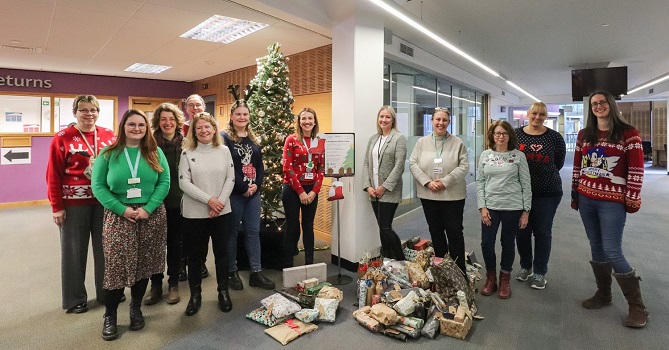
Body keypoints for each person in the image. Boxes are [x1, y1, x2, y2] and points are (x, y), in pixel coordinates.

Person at [91, 109, 169, 340]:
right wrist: (121, 209)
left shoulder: (155, 152)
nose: (137, 129)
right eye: (132, 125)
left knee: (144, 265)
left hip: (150, 215)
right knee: (116, 267)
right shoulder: (108, 153)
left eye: (141, 125)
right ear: (123, 127)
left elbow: (164, 181)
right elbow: (98, 187)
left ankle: (136, 307)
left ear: (147, 129)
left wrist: (148, 208)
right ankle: (110, 314)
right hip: (118, 216)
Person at [572, 90, 648, 328]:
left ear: (611, 105)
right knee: (596, 246)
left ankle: (637, 307)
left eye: (602, 102)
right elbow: (577, 166)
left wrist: (632, 198)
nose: (598, 106)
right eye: (594, 103)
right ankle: (604, 294)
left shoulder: (628, 134)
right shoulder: (585, 134)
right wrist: (575, 193)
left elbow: (636, 169)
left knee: (612, 249)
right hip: (587, 198)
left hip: (612, 202)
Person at [46, 95, 116, 314]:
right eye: (84, 110)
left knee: (106, 250)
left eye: (93, 110)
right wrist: (56, 206)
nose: (89, 114)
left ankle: (108, 292)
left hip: (104, 202)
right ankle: (75, 299)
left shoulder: (108, 135)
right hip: (73, 204)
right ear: (74, 112)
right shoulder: (62, 137)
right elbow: (53, 174)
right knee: (74, 252)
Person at [179, 112, 235, 316]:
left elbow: (230, 179)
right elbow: (183, 182)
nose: (204, 131)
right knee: (195, 257)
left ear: (214, 130)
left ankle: (223, 292)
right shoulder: (187, 153)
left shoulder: (224, 151)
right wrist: (209, 200)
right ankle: (195, 296)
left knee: (222, 254)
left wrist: (218, 202)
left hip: (222, 212)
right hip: (195, 214)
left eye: (207, 127)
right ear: (194, 131)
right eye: (199, 128)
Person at [222, 101, 276, 290]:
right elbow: (227, 167)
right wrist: (243, 187)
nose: (242, 117)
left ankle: (256, 272)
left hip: (253, 195)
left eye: (245, 114)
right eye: (238, 114)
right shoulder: (224, 138)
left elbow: (259, 165)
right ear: (231, 116)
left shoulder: (253, 138)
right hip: (235, 193)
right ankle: (231, 272)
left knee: (253, 233)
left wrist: (256, 185)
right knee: (232, 233)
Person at [409, 108, 468, 273]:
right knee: (435, 231)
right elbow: (413, 164)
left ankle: (458, 270)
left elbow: (463, 166)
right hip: (429, 195)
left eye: (444, 120)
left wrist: (445, 182)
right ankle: (441, 267)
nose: (441, 123)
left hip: (452, 196)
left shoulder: (457, 143)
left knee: (454, 231)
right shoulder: (421, 143)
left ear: (449, 122)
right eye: (438, 120)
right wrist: (427, 182)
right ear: (432, 121)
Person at [477, 120, 532, 299]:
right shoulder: (485, 155)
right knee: (486, 243)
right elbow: (481, 183)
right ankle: (491, 277)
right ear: (492, 135)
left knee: (507, 242)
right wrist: (482, 207)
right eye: (497, 133)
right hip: (490, 207)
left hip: (513, 206)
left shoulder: (518, 156)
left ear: (510, 136)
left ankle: (504, 279)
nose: (501, 136)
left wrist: (526, 211)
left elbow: (526, 184)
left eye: (504, 133)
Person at [514, 102, 566, 290]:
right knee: (522, 230)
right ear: (528, 114)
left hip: (548, 191)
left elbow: (558, 163)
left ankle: (540, 272)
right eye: (534, 113)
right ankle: (525, 266)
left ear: (546, 116)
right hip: (519, 191)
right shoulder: (516, 134)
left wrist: (540, 176)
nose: (537, 117)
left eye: (542, 114)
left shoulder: (554, 137)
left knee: (542, 231)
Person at [143, 103, 186, 305]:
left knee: (175, 245)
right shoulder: (149, 145)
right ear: (157, 122)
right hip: (156, 202)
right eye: (163, 119)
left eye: (171, 119)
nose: (167, 123)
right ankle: (156, 284)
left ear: (177, 121)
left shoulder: (186, 143)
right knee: (155, 246)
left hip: (179, 202)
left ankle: (174, 283)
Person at [281, 107, 325, 267]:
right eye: (303, 118)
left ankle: (309, 262)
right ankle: (288, 263)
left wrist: (314, 191)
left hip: (311, 190)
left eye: (310, 119)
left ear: (315, 122)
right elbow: (287, 167)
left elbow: (321, 168)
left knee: (308, 226)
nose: (307, 121)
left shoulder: (320, 141)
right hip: (292, 189)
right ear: (299, 122)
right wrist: (300, 192)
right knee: (292, 226)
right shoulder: (291, 140)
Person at [363, 106, 406, 260]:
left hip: (389, 191)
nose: (384, 120)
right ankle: (387, 260)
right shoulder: (373, 139)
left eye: (387, 117)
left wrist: (384, 187)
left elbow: (399, 165)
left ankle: (402, 261)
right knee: (382, 228)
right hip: (373, 191)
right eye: (381, 116)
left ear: (393, 119)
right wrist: (368, 186)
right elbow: (367, 164)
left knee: (386, 227)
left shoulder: (398, 138)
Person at [179, 94, 209, 281]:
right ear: (186, 109)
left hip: (205, 185)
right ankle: (182, 264)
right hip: (184, 182)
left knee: (202, 230)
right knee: (184, 230)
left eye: (198, 105)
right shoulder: (180, 128)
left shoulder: (209, 127)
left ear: (204, 106)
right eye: (191, 105)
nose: (195, 108)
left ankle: (201, 262)